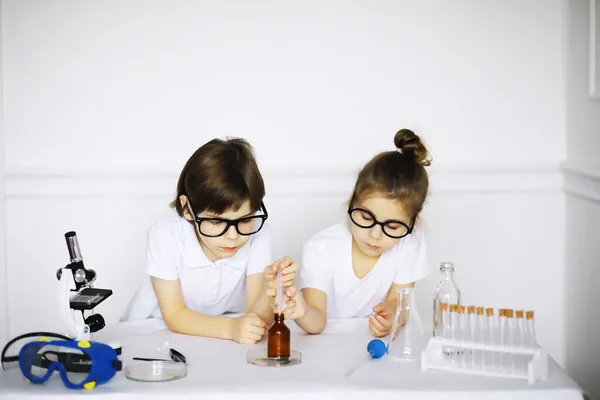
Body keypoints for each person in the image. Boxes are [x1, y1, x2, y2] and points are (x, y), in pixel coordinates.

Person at [121, 137, 296, 344]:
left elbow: (255, 315)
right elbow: (175, 315)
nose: (234, 236)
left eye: (245, 219)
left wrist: (273, 289)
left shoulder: (258, 233)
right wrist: (231, 328)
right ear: (187, 209)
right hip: (154, 330)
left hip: (222, 331)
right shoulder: (166, 235)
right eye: (216, 221)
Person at [288, 129, 432, 337]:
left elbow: (399, 303)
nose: (375, 235)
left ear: (412, 223)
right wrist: (301, 311)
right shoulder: (321, 248)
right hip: (325, 346)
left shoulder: (410, 243)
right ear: (352, 200)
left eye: (392, 227)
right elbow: (316, 321)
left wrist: (392, 316)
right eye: (366, 218)